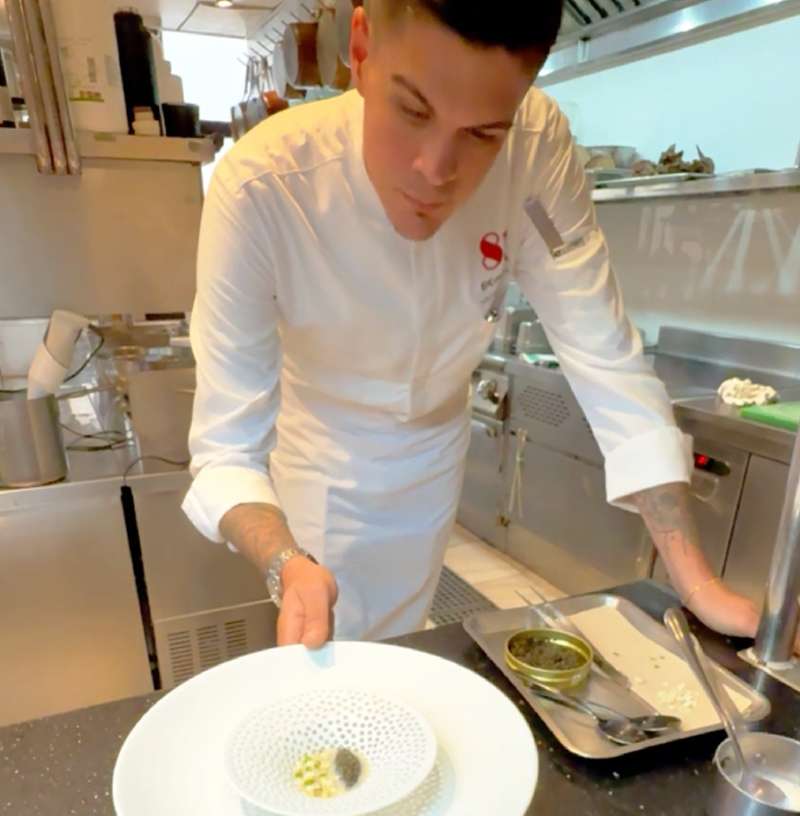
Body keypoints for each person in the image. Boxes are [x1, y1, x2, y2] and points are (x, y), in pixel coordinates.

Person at [183, 0, 760, 648]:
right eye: (413, 111)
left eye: (482, 134)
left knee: (408, 643)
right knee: (329, 655)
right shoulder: (265, 184)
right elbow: (227, 447)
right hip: (321, 458)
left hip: (433, 452)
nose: (435, 171)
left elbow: (606, 356)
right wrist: (285, 561)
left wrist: (698, 584)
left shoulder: (536, 150)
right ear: (363, 47)